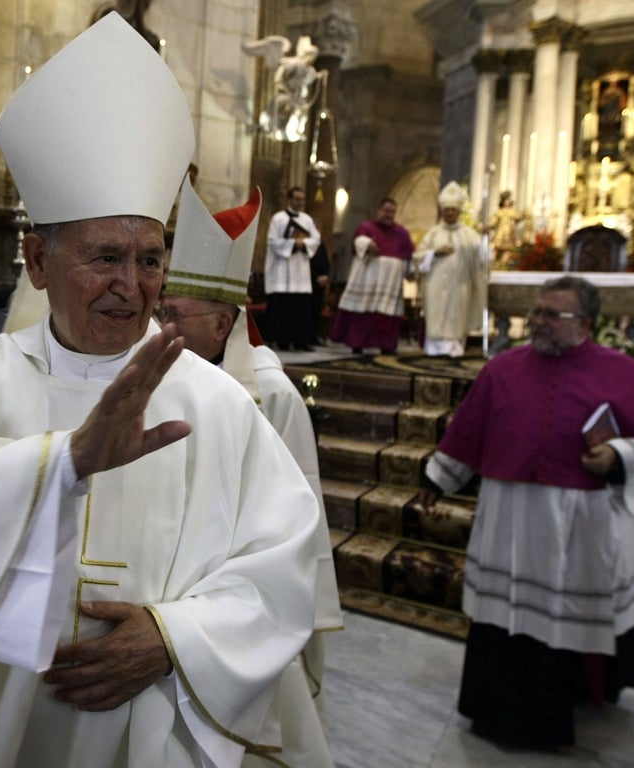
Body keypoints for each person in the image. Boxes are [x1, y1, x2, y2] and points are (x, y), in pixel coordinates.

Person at [0, 13, 322, 766]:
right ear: (36, 260)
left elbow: (285, 559)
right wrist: (64, 463)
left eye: (149, 260)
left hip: (157, 721)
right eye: (104, 256)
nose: (130, 287)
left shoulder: (218, 404)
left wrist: (177, 640)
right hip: (11, 730)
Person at [418, 275, 634, 748]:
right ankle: (499, 710)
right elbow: (468, 429)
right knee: (506, 619)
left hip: (582, 523)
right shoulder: (502, 369)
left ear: (585, 323)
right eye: (536, 312)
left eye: (550, 315)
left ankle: (577, 696)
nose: (537, 322)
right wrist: (437, 481)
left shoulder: (625, 373)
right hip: (510, 518)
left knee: (567, 614)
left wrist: (619, 456)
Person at [161, 176, 342, 766]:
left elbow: (296, 511)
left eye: (177, 315)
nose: (162, 327)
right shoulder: (159, 372)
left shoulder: (269, 392)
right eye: (162, 310)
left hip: (244, 599)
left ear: (222, 325)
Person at [329, 197, 415, 353]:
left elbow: (409, 256)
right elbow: (359, 241)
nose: (389, 214)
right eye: (386, 211)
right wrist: (368, 244)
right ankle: (358, 344)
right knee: (363, 315)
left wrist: (412, 272)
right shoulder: (366, 227)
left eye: (392, 212)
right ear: (379, 211)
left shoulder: (401, 233)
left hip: (389, 285)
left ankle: (386, 346)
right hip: (367, 280)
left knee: (386, 317)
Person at [414, 182, 484, 357]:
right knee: (436, 315)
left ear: (459, 212)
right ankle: (433, 349)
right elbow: (417, 257)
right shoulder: (433, 233)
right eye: (447, 210)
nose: (449, 213)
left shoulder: (469, 234)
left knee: (456, 316)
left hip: (460, 285)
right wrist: (434, 253)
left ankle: (455, 349)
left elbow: (481, 257)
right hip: (435, 285)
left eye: (453, 210)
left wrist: (485, 241)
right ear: (442, 212)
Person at [264, 185, 320, 350]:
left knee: (300, 308)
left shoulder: (307, 220)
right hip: (281, 270)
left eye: (302, 199)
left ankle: (300, 341)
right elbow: (272, 241)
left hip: (300, 271)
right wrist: (292, 244)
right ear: (289, 200)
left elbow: (316, 240)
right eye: (296, 199)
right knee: (282, 308)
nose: (299, 202)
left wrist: (304, 243)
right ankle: (282, 341)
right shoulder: (278, 218)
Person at [487, 190, 521, 265]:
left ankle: (504, 263)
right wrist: (489, 226)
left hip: (509, 235)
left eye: (509, 199)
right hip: (500, 234)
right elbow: (493, 221)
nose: (508, 201)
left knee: (507, 251)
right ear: (502, 201)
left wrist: (523, 215)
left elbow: (518, 217)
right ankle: (494, 263)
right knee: (495, 250)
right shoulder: (499, 212)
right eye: (506, 199)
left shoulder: (512, 211)